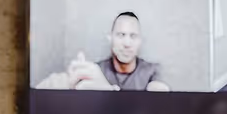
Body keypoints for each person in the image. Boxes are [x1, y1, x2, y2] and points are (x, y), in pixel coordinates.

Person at [33, 12, 168, 91]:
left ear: (140, 41)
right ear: (110, 39)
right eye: (121, 35)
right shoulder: (95, 70)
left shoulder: (153, 71)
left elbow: (158, 107)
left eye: (133, 36)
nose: (127, 43)